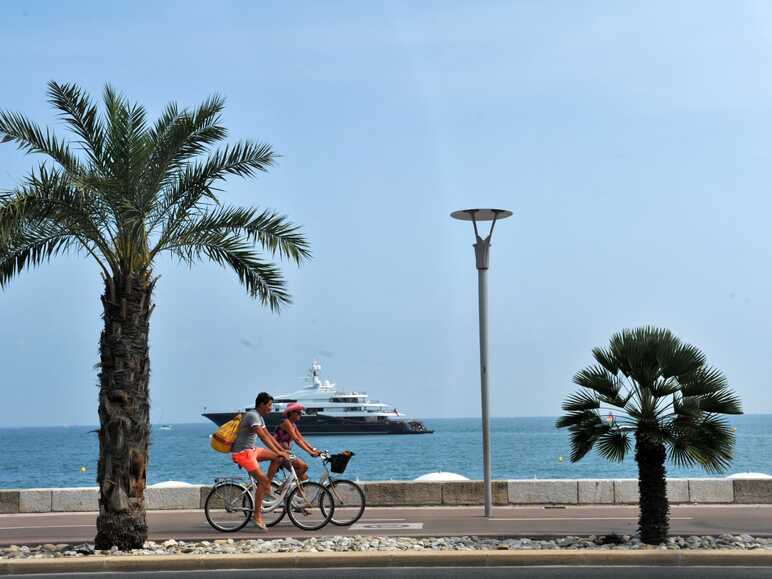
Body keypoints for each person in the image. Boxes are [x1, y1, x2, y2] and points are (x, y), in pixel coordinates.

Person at [230, 392, 290, 531]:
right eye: (269, 405)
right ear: (261, 404)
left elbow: (269, 436)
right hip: (243, 453)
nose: (270, 408)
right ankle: (257, 516)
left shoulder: (259, 417)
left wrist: (281, 451)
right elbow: (263, 437)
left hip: (252, 450)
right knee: (264, 480)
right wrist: (280, 450)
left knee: (277, 457)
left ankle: (266, 484)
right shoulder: (252, 416)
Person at [267, 402, 320, 482]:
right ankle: (285, 487)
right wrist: (310, 452)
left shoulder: (293, 425)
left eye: (301, 413)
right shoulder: (286, 422)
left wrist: (313, 449)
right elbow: (297, 440)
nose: (300, 415)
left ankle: (296, 492)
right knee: (303, 466)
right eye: (298, 413)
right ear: (291, 413)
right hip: (280, 453)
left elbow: (301, 438)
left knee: (304, 477)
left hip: (287, 454)